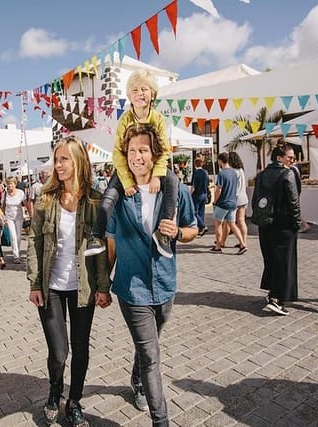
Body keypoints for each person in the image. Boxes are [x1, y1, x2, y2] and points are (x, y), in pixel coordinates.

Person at [106, 124, 198, 426]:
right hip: (131, 289)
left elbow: (193, 230)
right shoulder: (119, 193)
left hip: (165, 284)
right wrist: (102, 283)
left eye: (143, 150)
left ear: (155, 154)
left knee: (150, 343)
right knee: (151, 355)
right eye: (131, 151)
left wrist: (179, 232)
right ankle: (162, 421)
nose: (137, 156)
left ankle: (137, 378)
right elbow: (111, 242)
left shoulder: (176, 190)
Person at [27, 136, 112, 427]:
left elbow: (99, 248)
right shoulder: (45, 198)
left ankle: (74, 401)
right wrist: (35, 283)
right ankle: (54, 390)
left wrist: (103, 287)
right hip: (50, 286)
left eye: (64, 159)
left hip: (83, 287)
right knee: (59, 352)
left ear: (78, 162)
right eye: (56, 159)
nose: (58, 164)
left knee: (81, 347)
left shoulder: (94, 201)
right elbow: (34, 242)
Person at [86, 69, 179, 259]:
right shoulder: (125, 119)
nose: (140, 93)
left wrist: (156, 175)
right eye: (135, 90)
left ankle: (164, 234)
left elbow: (163, 150)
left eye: (144, 89)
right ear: (129, 95)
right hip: (126, 168)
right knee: (109, 195)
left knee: (173, 182)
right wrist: (127, 181)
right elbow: (118, 153)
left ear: (153, 93)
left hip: (153, 167)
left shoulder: (158, 119)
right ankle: (96, 235)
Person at [253, 146, 301, 316]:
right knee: (284, 262)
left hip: (265, 224)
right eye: (290, 157)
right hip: (284, 224)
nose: (292, 161)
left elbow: (255, 200)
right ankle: (277, 299)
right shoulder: (287, 174)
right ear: (279, 158)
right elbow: (294, 202)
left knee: (271, 259)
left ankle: (272, 292)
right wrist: (297, 224)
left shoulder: (261, 175)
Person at [211, 152, 247, 254]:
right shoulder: (234, 173)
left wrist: (215, 201)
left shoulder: (222, 173)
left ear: (220, 161)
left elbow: (219, 189)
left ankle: (218, 246)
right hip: (233, 202)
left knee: (218, 223)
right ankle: (243, 244)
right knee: (232, 224)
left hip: (223, 202)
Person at [222, 151, 248, 248]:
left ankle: (222, 242)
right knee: (241, 221)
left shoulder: (232, 171)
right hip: (243, 197)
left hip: (234, 198)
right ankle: (244, 241)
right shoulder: (241, 170)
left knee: (228, 222)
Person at [2, 176, 26, 264]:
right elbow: (3, 206)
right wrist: (2, 218)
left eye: (11, 184)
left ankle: (18, 252)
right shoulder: (4, 193)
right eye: (8, 184)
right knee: (13, 236)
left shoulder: (20, 193)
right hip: (9, 217)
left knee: (19, 237)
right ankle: (16, 256)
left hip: (19, 217)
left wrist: (31, 213)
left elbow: (25, 203)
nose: (9, 186)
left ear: (15, 184)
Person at [189, 157, 209, 237]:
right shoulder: (205, 172)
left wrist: (189, 194)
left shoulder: (196, 173)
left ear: (195, 164)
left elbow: (193, 186)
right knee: (201, 212)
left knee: (194, 212)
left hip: (197, 195)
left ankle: (202, 226)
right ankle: (201, 229)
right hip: (204, 194)